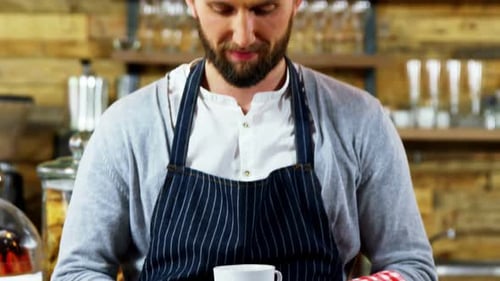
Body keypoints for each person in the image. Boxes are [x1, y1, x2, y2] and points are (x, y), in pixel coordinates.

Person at [51, 0, 437, 280]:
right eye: (222, 9)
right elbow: (77, 271)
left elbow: (412, 267)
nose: (243, 34)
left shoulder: (359, 119)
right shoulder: (129, 125)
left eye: (263, 9)